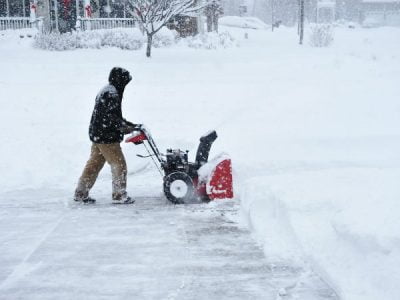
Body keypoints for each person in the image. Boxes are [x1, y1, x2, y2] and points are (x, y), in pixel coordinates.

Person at [74, 67, 139, 204]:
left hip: (98, 134)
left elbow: (113, 116)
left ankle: (81, 192)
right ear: (120, 80)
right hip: (106, 137)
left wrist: (128, 124)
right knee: (119, 164)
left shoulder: (108, 90)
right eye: (125, 82)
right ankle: (119, 194)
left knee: (94, 164)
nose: (125, 85)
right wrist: (123, 128)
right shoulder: (111, 94)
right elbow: (110, 119)